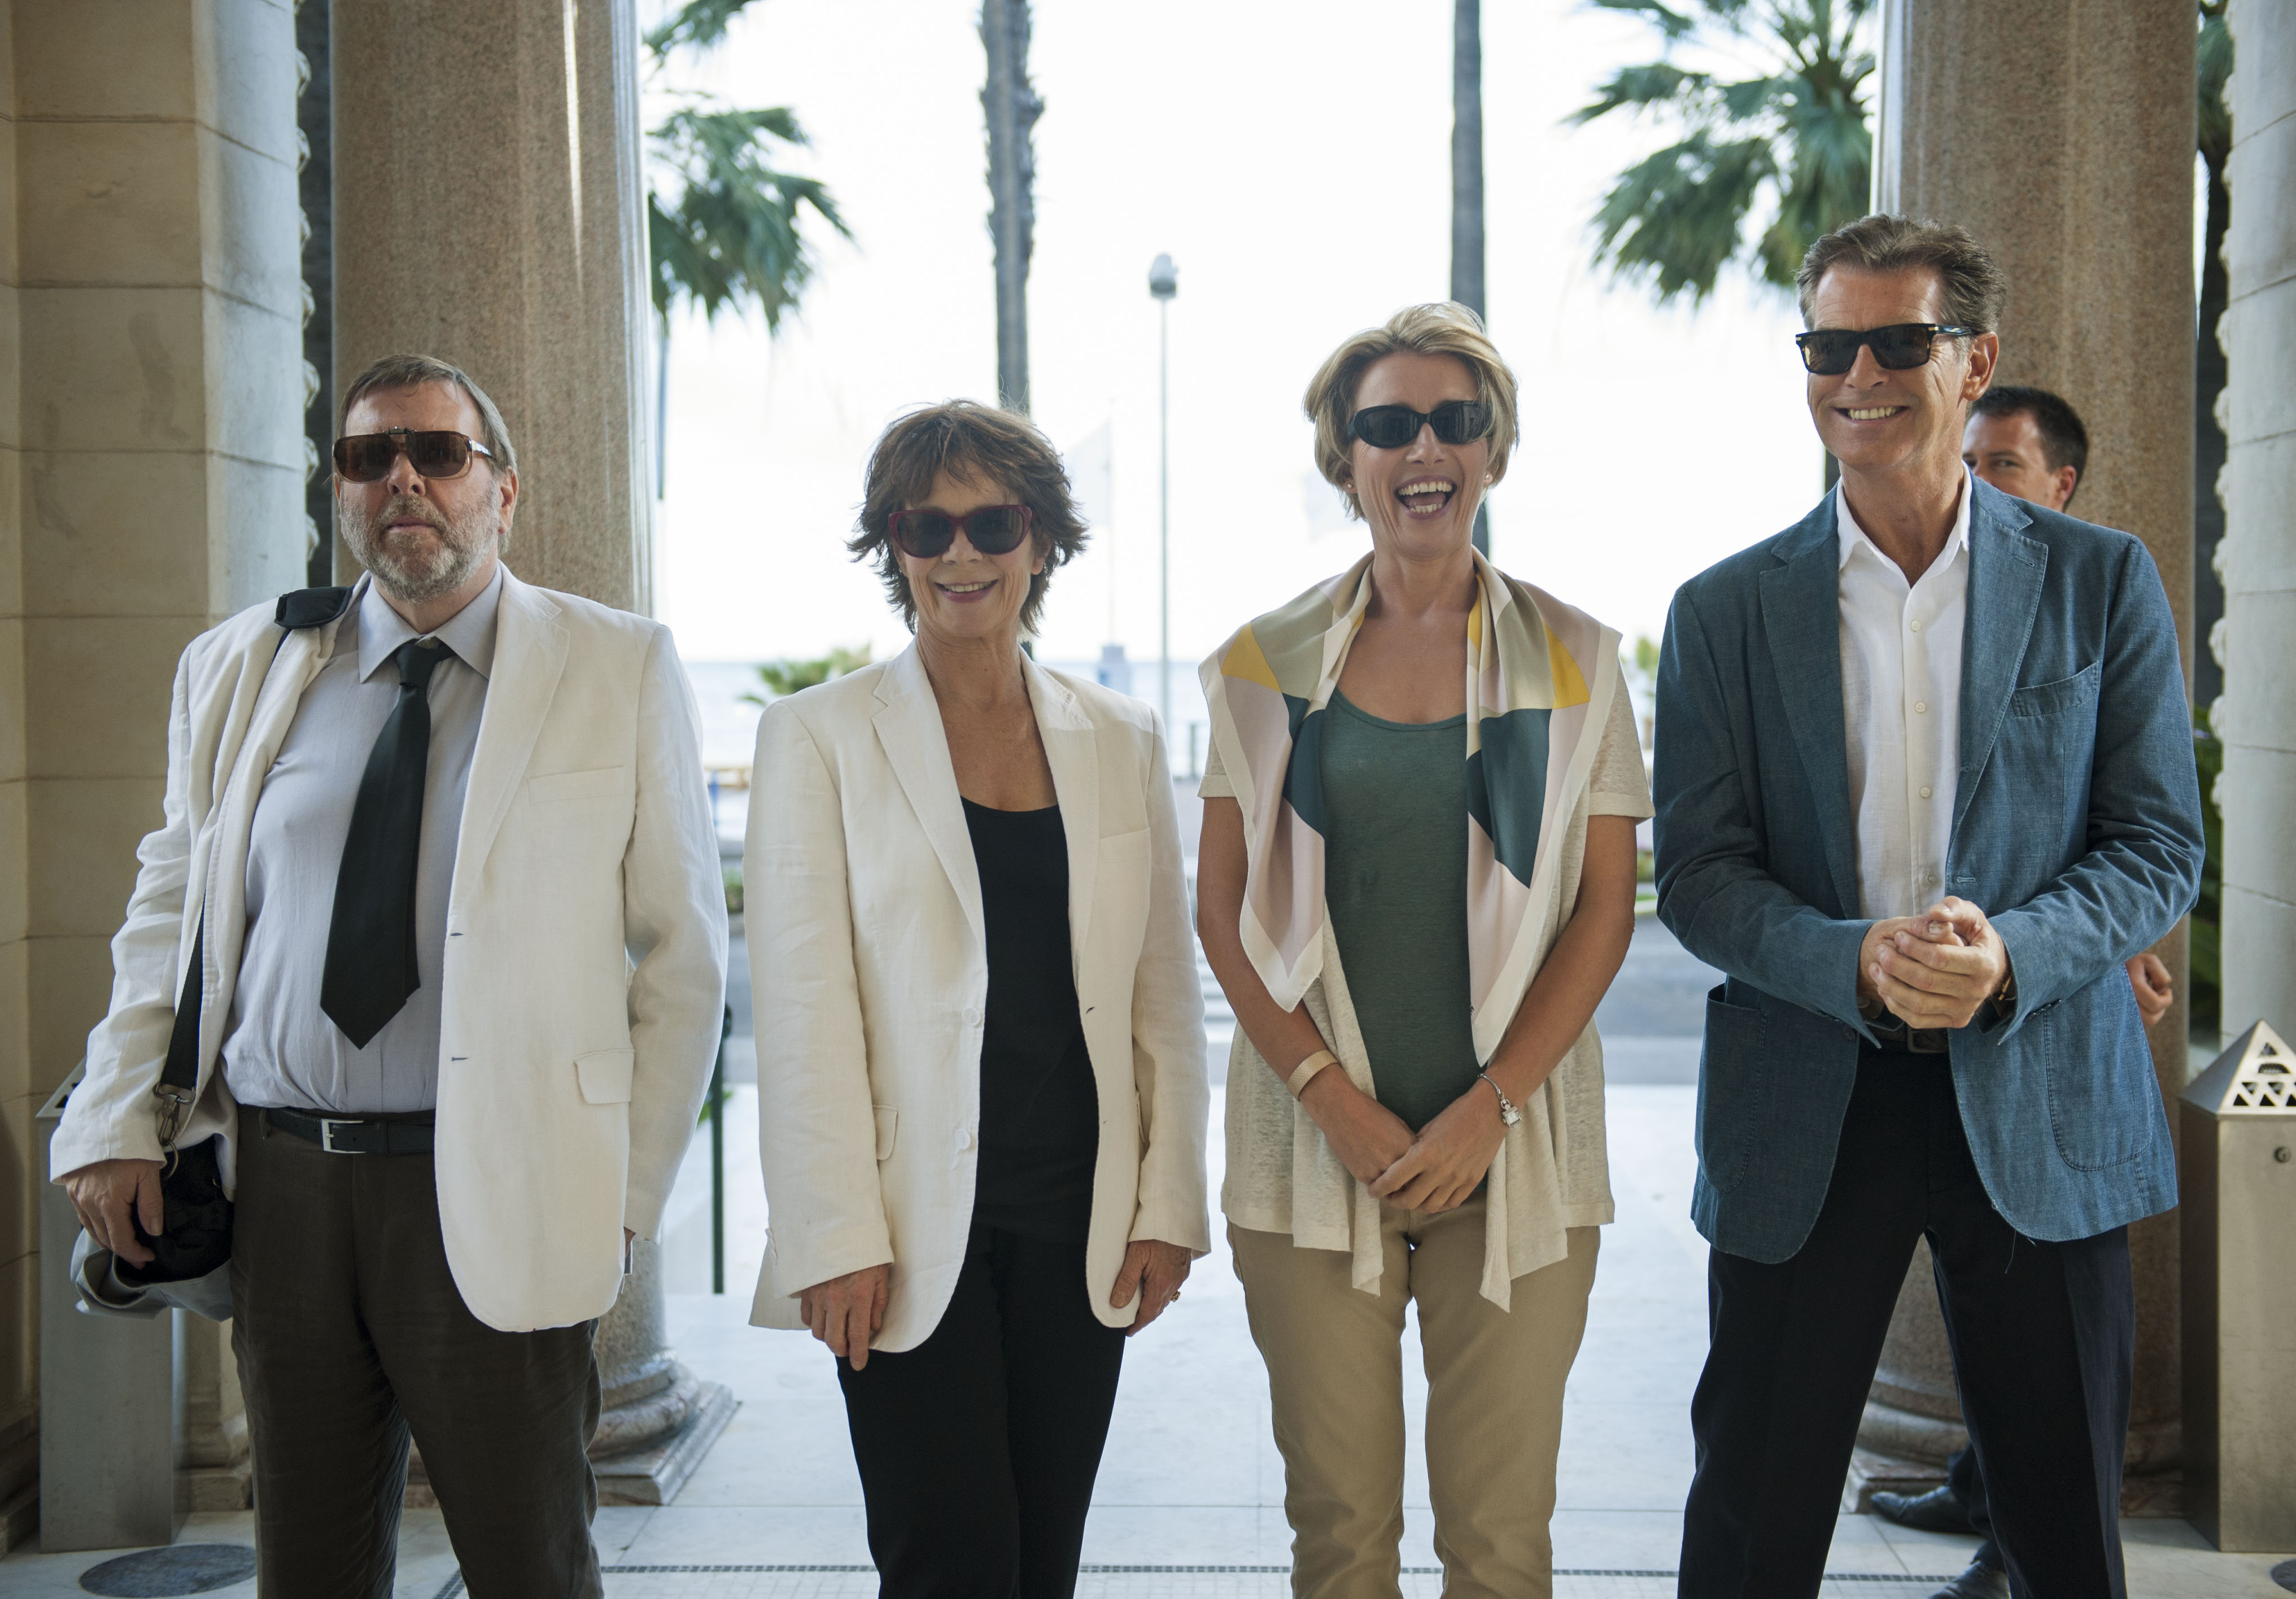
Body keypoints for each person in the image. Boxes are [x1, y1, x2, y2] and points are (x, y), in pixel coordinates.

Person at [51, 353, 729, 1597]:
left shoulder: (616, 665)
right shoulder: (241, 665)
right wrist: (113, 1114)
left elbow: (684, 958)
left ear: (503, 492)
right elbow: (169, 905)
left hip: (504, 1178)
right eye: (370, 456)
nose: (403, 478)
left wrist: (624, 1199)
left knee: (530, 1563)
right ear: (342, 493)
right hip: (286, 1189)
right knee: (310, 1567)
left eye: (438, 452)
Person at [1653, 215, 2203, 1599]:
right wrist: (1854, 960)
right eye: (1828, 345)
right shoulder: (1723, 610)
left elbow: (2154, 846)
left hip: (2037, 1087)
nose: (1860, 375)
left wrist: (2007, 954)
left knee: (2063, 1532)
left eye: (1899, 340)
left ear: (1976, 361)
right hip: (1809, 1095)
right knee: (1750, 1522)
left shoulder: (2100, 579)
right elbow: (1701, 875)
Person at [1198, 303, 1647, 1597]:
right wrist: (1326, 1098)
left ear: (1493, 450)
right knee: (1339, 1537)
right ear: (1343, 461)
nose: (1423, 447)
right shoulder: (1262, 666)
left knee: (1499, 1545)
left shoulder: (1577, 660)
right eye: (1387, 425)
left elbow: (1603, 911)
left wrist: (1487, 1109)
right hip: (1311, 1149)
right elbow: (1222, 912)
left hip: (1515, 1147)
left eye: (1455, 419)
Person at [744, 400, 1210, 1598]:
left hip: (1078, 1221)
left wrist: (1168, 1203)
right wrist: (831, 1236)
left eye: (993, 524)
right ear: (893, 546)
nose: (962, 554)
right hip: (900, 1233)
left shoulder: (1121, 738)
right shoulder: (817, 737)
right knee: (945, 1565)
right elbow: (803, 1015)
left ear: (1040, 541)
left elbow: (1162, 993)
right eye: (927, 527)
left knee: (1041, 1567)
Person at [1866, 384, 2181, 1599]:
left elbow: (2144, 828)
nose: (1972, 481)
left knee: (2060, 1407)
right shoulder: (1891, 601)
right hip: (1882, 1051)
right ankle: (1980, 1494)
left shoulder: (2103, 584)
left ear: (2061, 485)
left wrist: (2054, 953)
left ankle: (2013, 1538)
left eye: (2001, 464)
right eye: (1967, 458)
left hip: (2045, 1055)